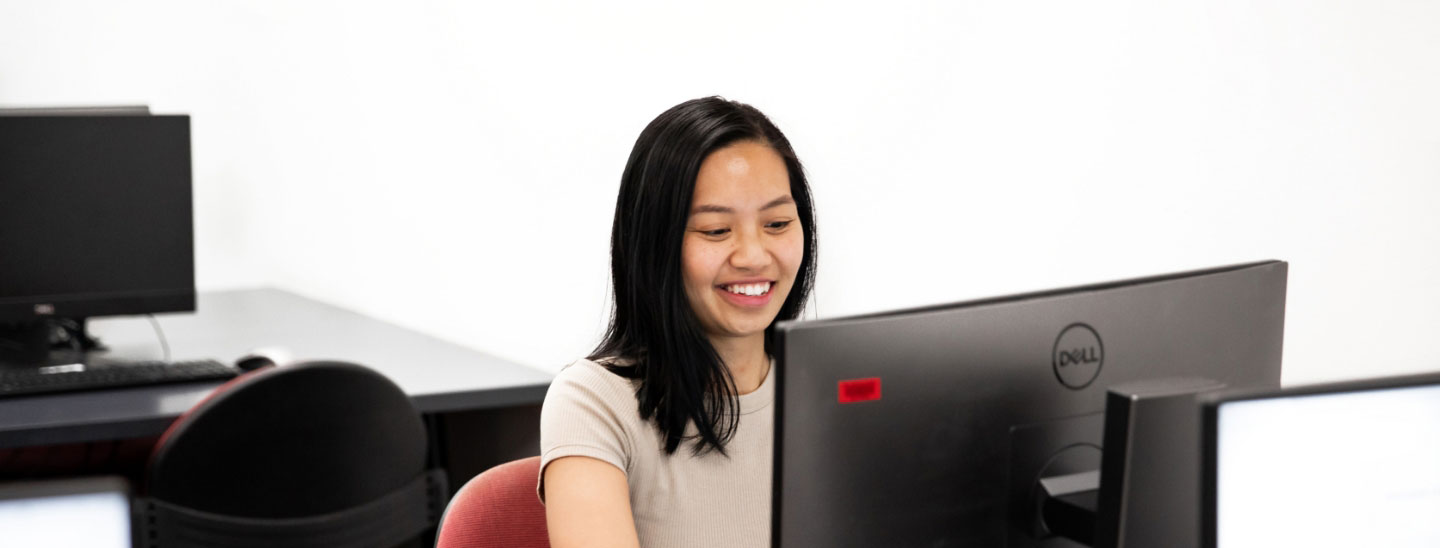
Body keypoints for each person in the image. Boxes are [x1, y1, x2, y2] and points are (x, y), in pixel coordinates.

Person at [538, 96, 818, 548]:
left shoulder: (828, 389)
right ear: (655, 244)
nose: (752, 256)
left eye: (778, 223)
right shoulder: (594, 403)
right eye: (715, 231)